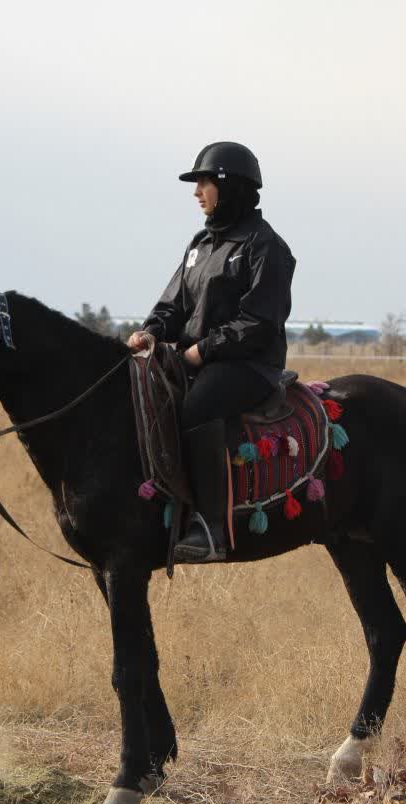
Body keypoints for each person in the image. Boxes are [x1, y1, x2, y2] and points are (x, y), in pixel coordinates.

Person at [127, 141, 296, 562]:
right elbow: (173, 304)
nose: (196, 191)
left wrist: (202, 350)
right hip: (198, 359)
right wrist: (150, 331)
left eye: (204, 182)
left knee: (197, 406)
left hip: (249, 366)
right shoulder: (200, 244)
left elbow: (258, 323)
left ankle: (210, 529)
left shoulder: (265, 246)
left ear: (230, 186)